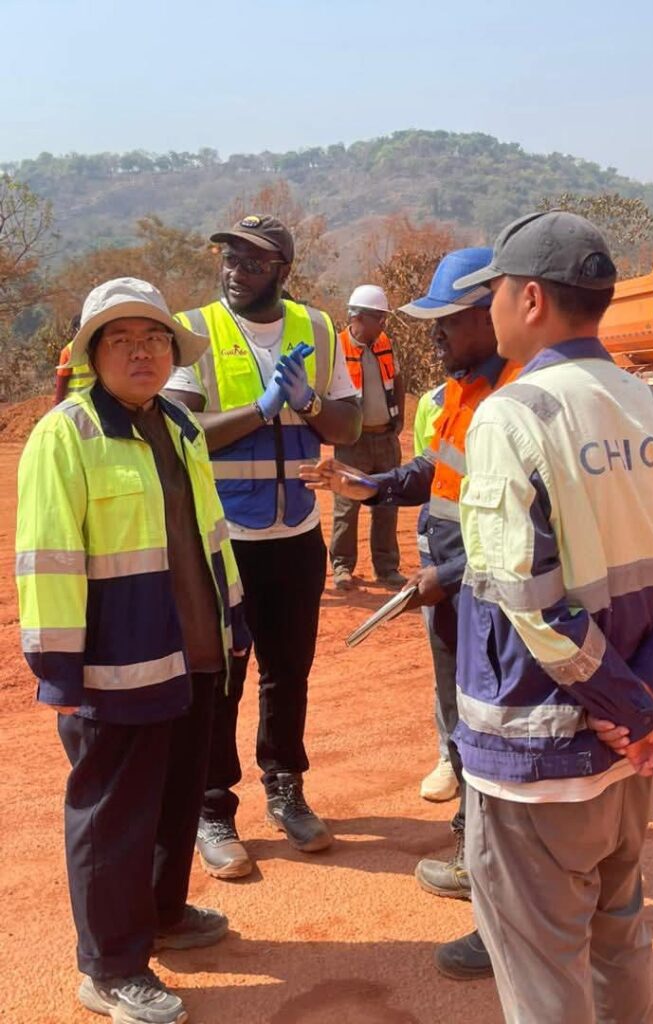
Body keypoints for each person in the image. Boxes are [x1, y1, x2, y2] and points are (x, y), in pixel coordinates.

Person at [452, 212, 653, 1023]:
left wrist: (632, 713)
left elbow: (531, 600)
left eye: (495, 292)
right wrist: (643, 707)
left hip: (540, 751)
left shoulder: (513, 414)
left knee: (544, 970)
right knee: (618, 935)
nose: (491, 308)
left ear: (530, 298)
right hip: (630, 755)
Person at [16, 278, 250, 1024]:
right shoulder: (67, 435)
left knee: (176, 801)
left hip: (193, 654)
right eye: (120, 340)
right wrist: (60, 672)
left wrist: (232, 625)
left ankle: (164, 916)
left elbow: (211, 536)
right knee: (113, 818)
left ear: (172, 352)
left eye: (153, 339)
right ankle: (111, 968)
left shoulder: (179, 426)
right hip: (113, 667)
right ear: (93, 354)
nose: (141, 352)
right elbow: (47, 559)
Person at [300, 247, 515, 979]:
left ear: (492, 314)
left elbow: (530, 524)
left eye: (448, 321)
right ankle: (470, 848)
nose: (435, 335)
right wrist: (373, 485)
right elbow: (436, 471)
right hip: (453, 586)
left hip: (488, 593)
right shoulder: (462, 390)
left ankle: (493, 878)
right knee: (460, 719)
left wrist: (446, 576)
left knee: (489, 728)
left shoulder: (518, 397)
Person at [165, 214, 361, 879]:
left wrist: (309, 404)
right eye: (229, 258)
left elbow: (349, 426)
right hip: (224, 540)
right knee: (220, 677)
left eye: (251, 262)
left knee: (288, 671)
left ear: (283, 270)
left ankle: (286, 788)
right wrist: (262, 406)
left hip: (296, 534)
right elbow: (181, 431)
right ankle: (212, 807)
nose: (235, 271)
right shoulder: (194, 330)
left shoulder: (320, 329)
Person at [330, 285, 406, 590]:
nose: (384, 324)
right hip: (352, 442)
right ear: (358, 317)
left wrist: (399, 418)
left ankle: (386, 569)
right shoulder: (337, 348)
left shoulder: (384, 343)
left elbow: (397, 378)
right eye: (380, 318)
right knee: (347, 507)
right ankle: (342, 567)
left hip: (385, 438)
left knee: (387, 504)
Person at [412, 383, 459, 803]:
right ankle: (450, 757)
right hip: (439, 550)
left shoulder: (514, 394)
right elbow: (426, 475)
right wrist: (373, 486)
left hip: (489, 556)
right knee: (445, 661)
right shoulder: (432, 402)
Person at [54, 315, 96, 404]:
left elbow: (61, 382)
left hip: (76, 402)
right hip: (97, 400)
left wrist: (58, 403)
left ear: (74, 331)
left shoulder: (68, 351)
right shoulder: (98, 348)